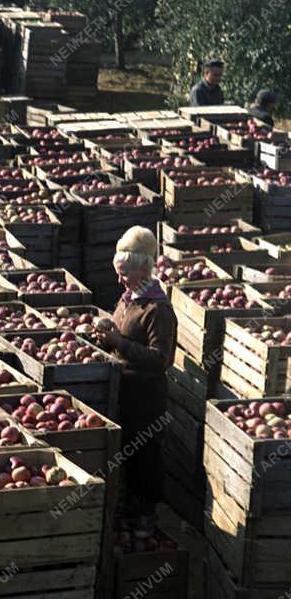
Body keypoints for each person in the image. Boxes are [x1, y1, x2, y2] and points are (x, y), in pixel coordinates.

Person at [93, 226, 177, 538]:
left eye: (124, 274)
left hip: (146, 397)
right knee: (126, 454)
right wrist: (104, 334)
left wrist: (118, 342)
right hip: (123, 392)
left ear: (145, 268)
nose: (119, 281)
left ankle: (146, 517)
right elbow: (119, 335)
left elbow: (160, 359)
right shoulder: (129, 299)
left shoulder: (158, 310)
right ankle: (128, 509)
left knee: (145, 457)